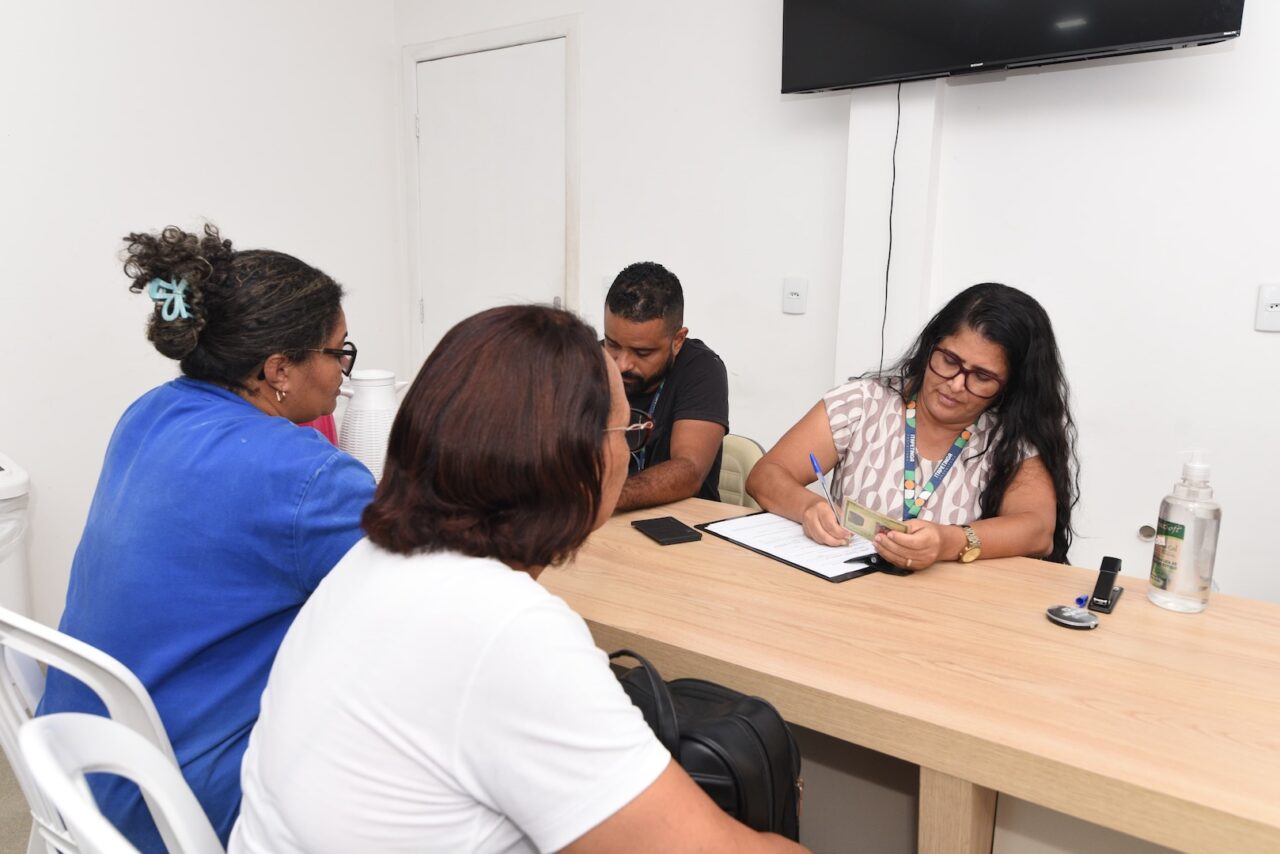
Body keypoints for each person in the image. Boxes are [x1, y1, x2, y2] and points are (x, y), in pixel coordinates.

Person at [231, 306, 805, 854]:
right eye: (625, 434)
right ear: (577, 463)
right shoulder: (507, 631)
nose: (626, 451)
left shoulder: (369, 561)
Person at [38, 224, 375, 850]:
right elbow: (427, 600)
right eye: (338, 352)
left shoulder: (150, 411)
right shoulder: (306, 475)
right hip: (174, 801)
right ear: (279, 369)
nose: (342, 372)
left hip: (75, 764)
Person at [747, 282, 1078, 568]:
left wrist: (949, 542)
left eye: (981, 376)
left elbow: (1037, 531)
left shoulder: (1012, 438)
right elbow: (766, 475)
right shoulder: (862, 404)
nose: (955, 384)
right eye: (949, 360)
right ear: (930, 346)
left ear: (1011, 385)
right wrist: (808, 507)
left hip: (947, 608)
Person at [602, 262, 729, 510]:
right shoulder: (587, 362)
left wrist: (602, 498)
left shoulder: (701, 368)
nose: (622, 364)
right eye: (612, 344)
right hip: (600, 522)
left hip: (681, 522)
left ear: (678, 340)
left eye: (642, 352)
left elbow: (689, 470)